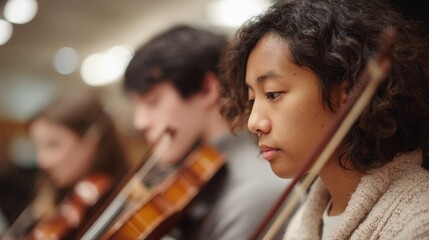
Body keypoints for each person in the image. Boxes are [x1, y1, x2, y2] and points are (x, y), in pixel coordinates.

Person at [220, 0, 429, 239]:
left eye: (272, 94)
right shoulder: (299, 226)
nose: (254, 122)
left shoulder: (418, 222)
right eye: (251, 99)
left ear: (347, 91)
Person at [123, 24, 290, 239]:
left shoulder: (253, 193)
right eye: (137, 106)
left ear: (206, 89)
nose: (140, 122)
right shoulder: (185, 187)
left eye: (153, 102)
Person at [4, 91, 129, 239]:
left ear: (91, 139)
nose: (42, 160)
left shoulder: (119, 204)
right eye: (38, 147)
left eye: (52, 145)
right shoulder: (57, 201)